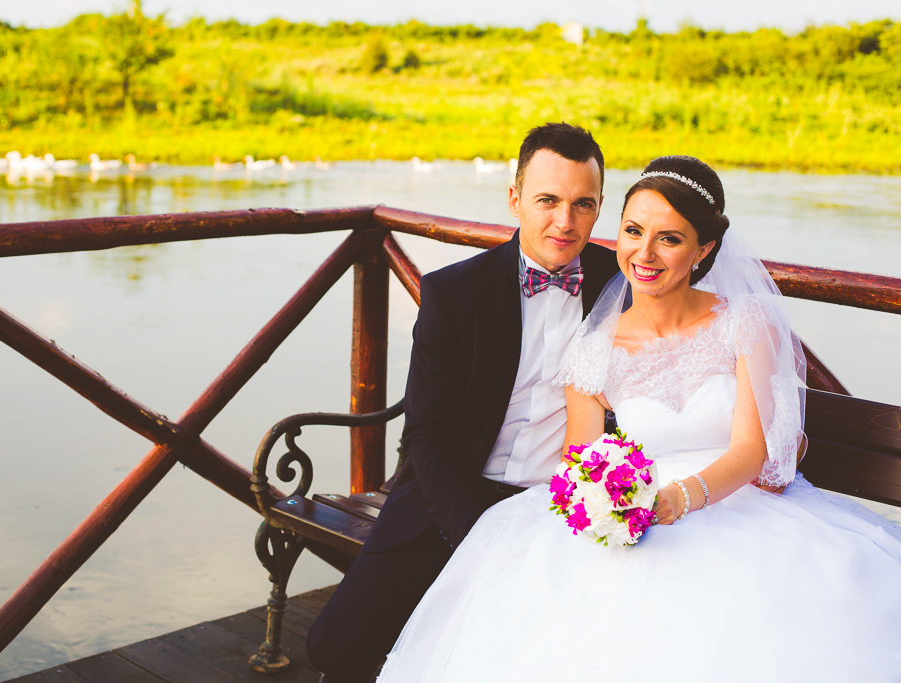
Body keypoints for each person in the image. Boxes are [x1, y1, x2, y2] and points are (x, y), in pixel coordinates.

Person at [375, 155, 901, 681]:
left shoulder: (745, 322)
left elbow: (752, 450)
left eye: (669, 239)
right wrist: (601, 503)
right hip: (639, 515)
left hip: (744, 511)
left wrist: (678, 499)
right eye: (632, 231)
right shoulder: (593, 349)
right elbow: (578, 460)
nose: (644, 254)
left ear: (703, 250)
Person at [306, 123, 621, 682]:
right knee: (337, 647)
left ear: (599, 208)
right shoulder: (455, 292)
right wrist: (476, 535)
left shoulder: (622, 285)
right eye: (547, 200)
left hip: (559, 509)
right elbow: (425, 436)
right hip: (450, 498)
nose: (565, 222)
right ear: (515, 199)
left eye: (583, 204)